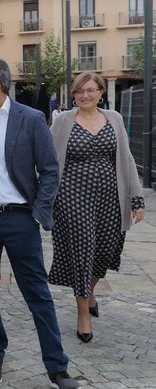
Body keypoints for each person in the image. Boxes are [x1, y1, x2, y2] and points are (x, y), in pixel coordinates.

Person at [0, 58, 80, 389]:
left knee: (37, 294)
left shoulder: (31, 119)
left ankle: (57, 367)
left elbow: (50, 171)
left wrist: (37, 214)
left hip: (20, 219)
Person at [49, 72, 145, 343]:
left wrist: (136, 198)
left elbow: (126, 157)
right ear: (74, 94)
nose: (85, 95)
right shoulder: (63, 121)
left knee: (104, 251)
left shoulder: (113, 119)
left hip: (110, 199)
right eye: (79, 91)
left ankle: (90, 293)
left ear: (101, 92)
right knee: (82, 253)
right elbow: (47, 157)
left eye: (90, 90)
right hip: (72, 198)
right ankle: (83, 316)